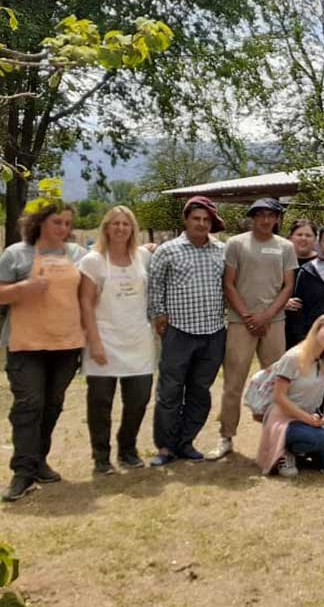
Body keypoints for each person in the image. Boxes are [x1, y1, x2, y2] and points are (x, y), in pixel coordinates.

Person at [0, 199, 86, 502]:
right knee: (29, 405)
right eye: (56, 222)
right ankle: (22, 473)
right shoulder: (15, 254)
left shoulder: (77, 254)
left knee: (52, 405)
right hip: (26, 346)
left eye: (66, 223)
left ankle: (38, 461)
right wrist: (22, 289)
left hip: (66, 344)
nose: (63, 228)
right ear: (39, 223)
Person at [211, 198, 297, 461]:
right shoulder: (236, 243)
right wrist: (249, 316)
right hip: (241, 322)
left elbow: (288, 286)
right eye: (260, 214)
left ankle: (276, 436)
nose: (265, 220)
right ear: (252, 217)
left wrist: (267, 315)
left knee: (276, 382)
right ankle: (226, 436)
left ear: (277, 218)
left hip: (275, 321)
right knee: (233, 381)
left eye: (271, 215)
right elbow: (229, 283)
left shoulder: (285, 246)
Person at [146, 196, 227, 468]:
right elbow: (155, 288)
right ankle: (166, 446)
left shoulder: (221, 250)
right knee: (170, 391)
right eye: (196, 219)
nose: (201, 224)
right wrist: (158, 316)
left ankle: (186, 441)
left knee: (199, 391)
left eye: (206, 220)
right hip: (178, 331)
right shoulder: (167, 250)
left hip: (213, 331)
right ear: (186, 220)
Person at [78, 206, 155, 476]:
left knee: (139, 399)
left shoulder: (143, 256)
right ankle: (101, 457)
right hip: (104, 339)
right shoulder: (93, 261)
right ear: (106, 228)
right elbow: (85, 303)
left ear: (133, 228)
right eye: (115, 224)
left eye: (126, 224)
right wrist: (94, 342)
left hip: (138, 339)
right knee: (100, 403)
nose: (121, 228)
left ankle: (128, 449)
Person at [255, 313, 324, 477]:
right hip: (283, 418)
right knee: (319, 437)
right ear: (316, 330)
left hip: (309, 419)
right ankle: (285, 450)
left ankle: (302, 452)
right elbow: (279, 397)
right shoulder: (293, 357)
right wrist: (308, 419)